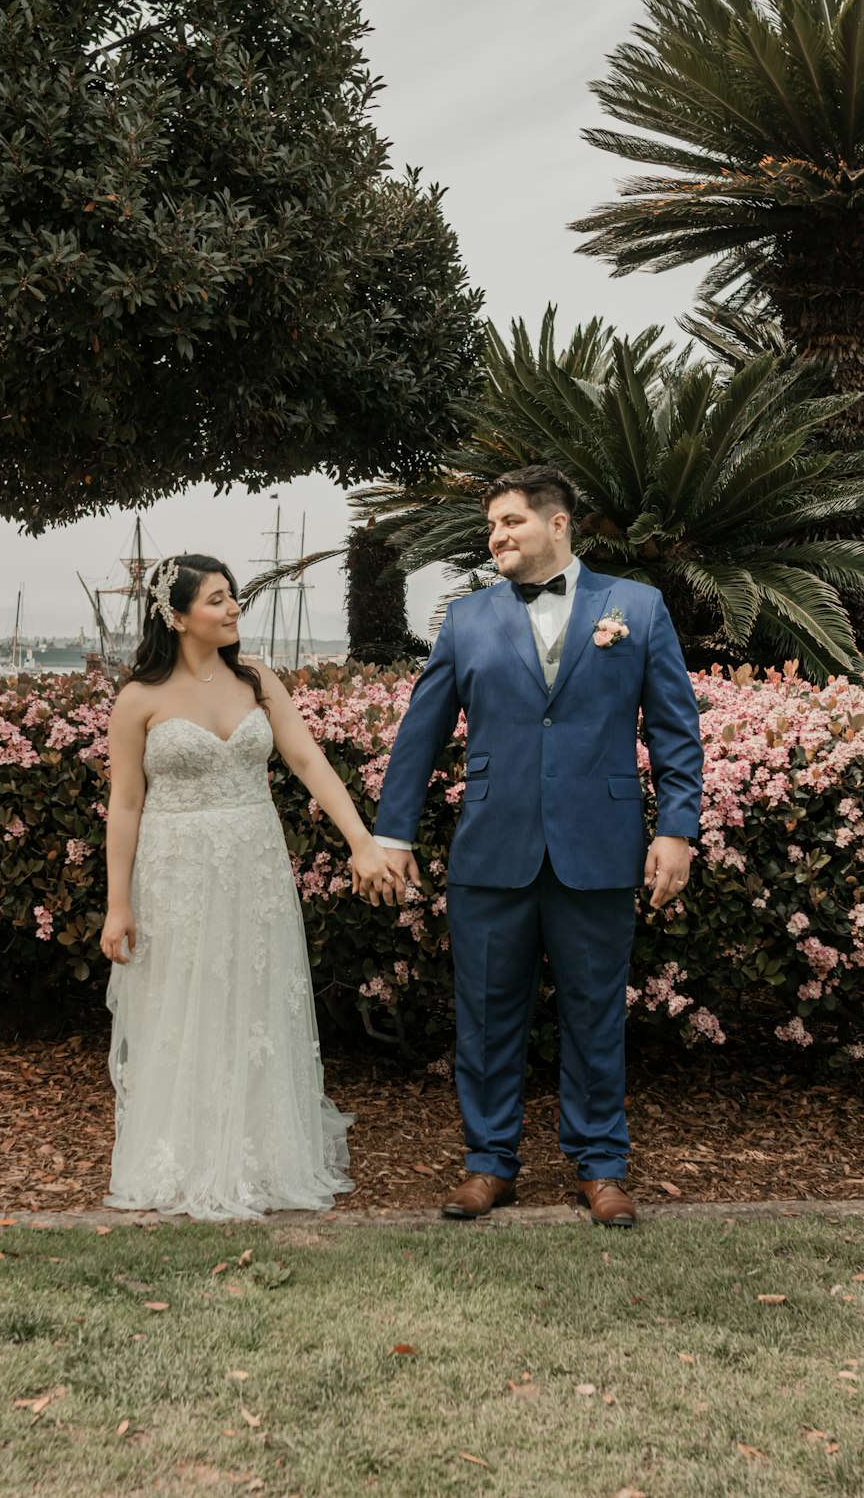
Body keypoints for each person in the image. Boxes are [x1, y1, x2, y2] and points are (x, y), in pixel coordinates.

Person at [365, 466, 704, 1227]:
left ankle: (601, 1167)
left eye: (511, 521)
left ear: (559, 524)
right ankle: (488, 1164)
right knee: (485, 1014)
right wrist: (393, 831)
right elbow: (419, 733)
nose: (497, 536)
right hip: (493, 849)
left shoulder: (636, 609)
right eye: (492, 526)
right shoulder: (466, 619)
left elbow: (676, 733)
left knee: (594, 1014)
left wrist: (677, 828)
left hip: (601, 845)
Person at [100, 553, 399, 1219]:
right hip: (175, 867)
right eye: (215, 599)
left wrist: (361, 840)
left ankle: (261, 1150)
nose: (233, 607)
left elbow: (305, 758)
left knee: (253, 995)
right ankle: (187, 1153)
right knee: (187, 999)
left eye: (233, 595)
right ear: (176, 617)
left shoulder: (259, 680)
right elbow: (124, 804)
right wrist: (118, 905)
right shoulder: (139, 699)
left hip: (254, 861)